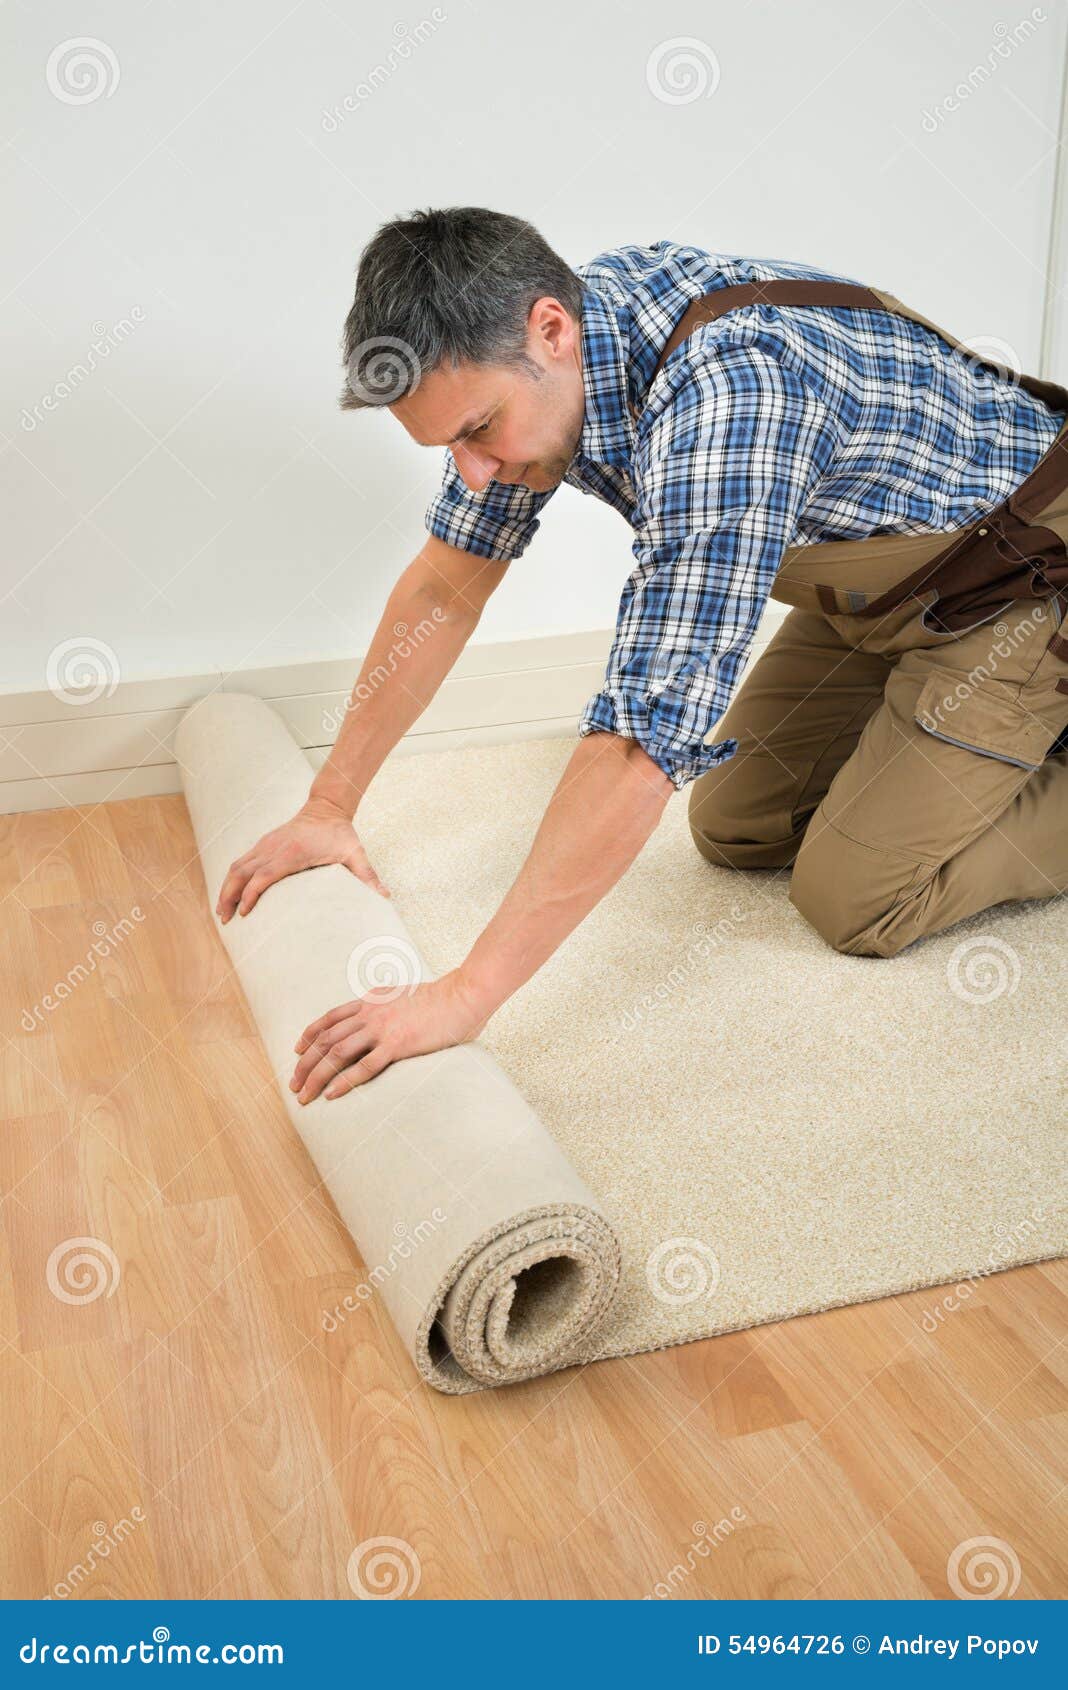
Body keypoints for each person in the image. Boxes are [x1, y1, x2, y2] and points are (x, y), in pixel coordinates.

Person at [215, 206, 1068, 1101]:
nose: (470, 469)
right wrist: (328, 804)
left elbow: (639, 746)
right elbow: (444, 585)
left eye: (476, 429)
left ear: (549, 329)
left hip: (1014, 593)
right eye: (447, 446)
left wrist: (464, 995)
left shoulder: (732, 401)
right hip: (879, 588)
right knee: (739, 827)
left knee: (855, 896)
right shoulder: (563, 356)